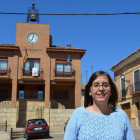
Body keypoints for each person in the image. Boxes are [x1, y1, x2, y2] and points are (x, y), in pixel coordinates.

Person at [64, 71, 135, 140]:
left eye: (105, 85)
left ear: (111, 91)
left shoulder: (121, 115)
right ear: (89, 91)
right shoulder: (78, 114)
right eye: (96, 85)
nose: (101, 89)